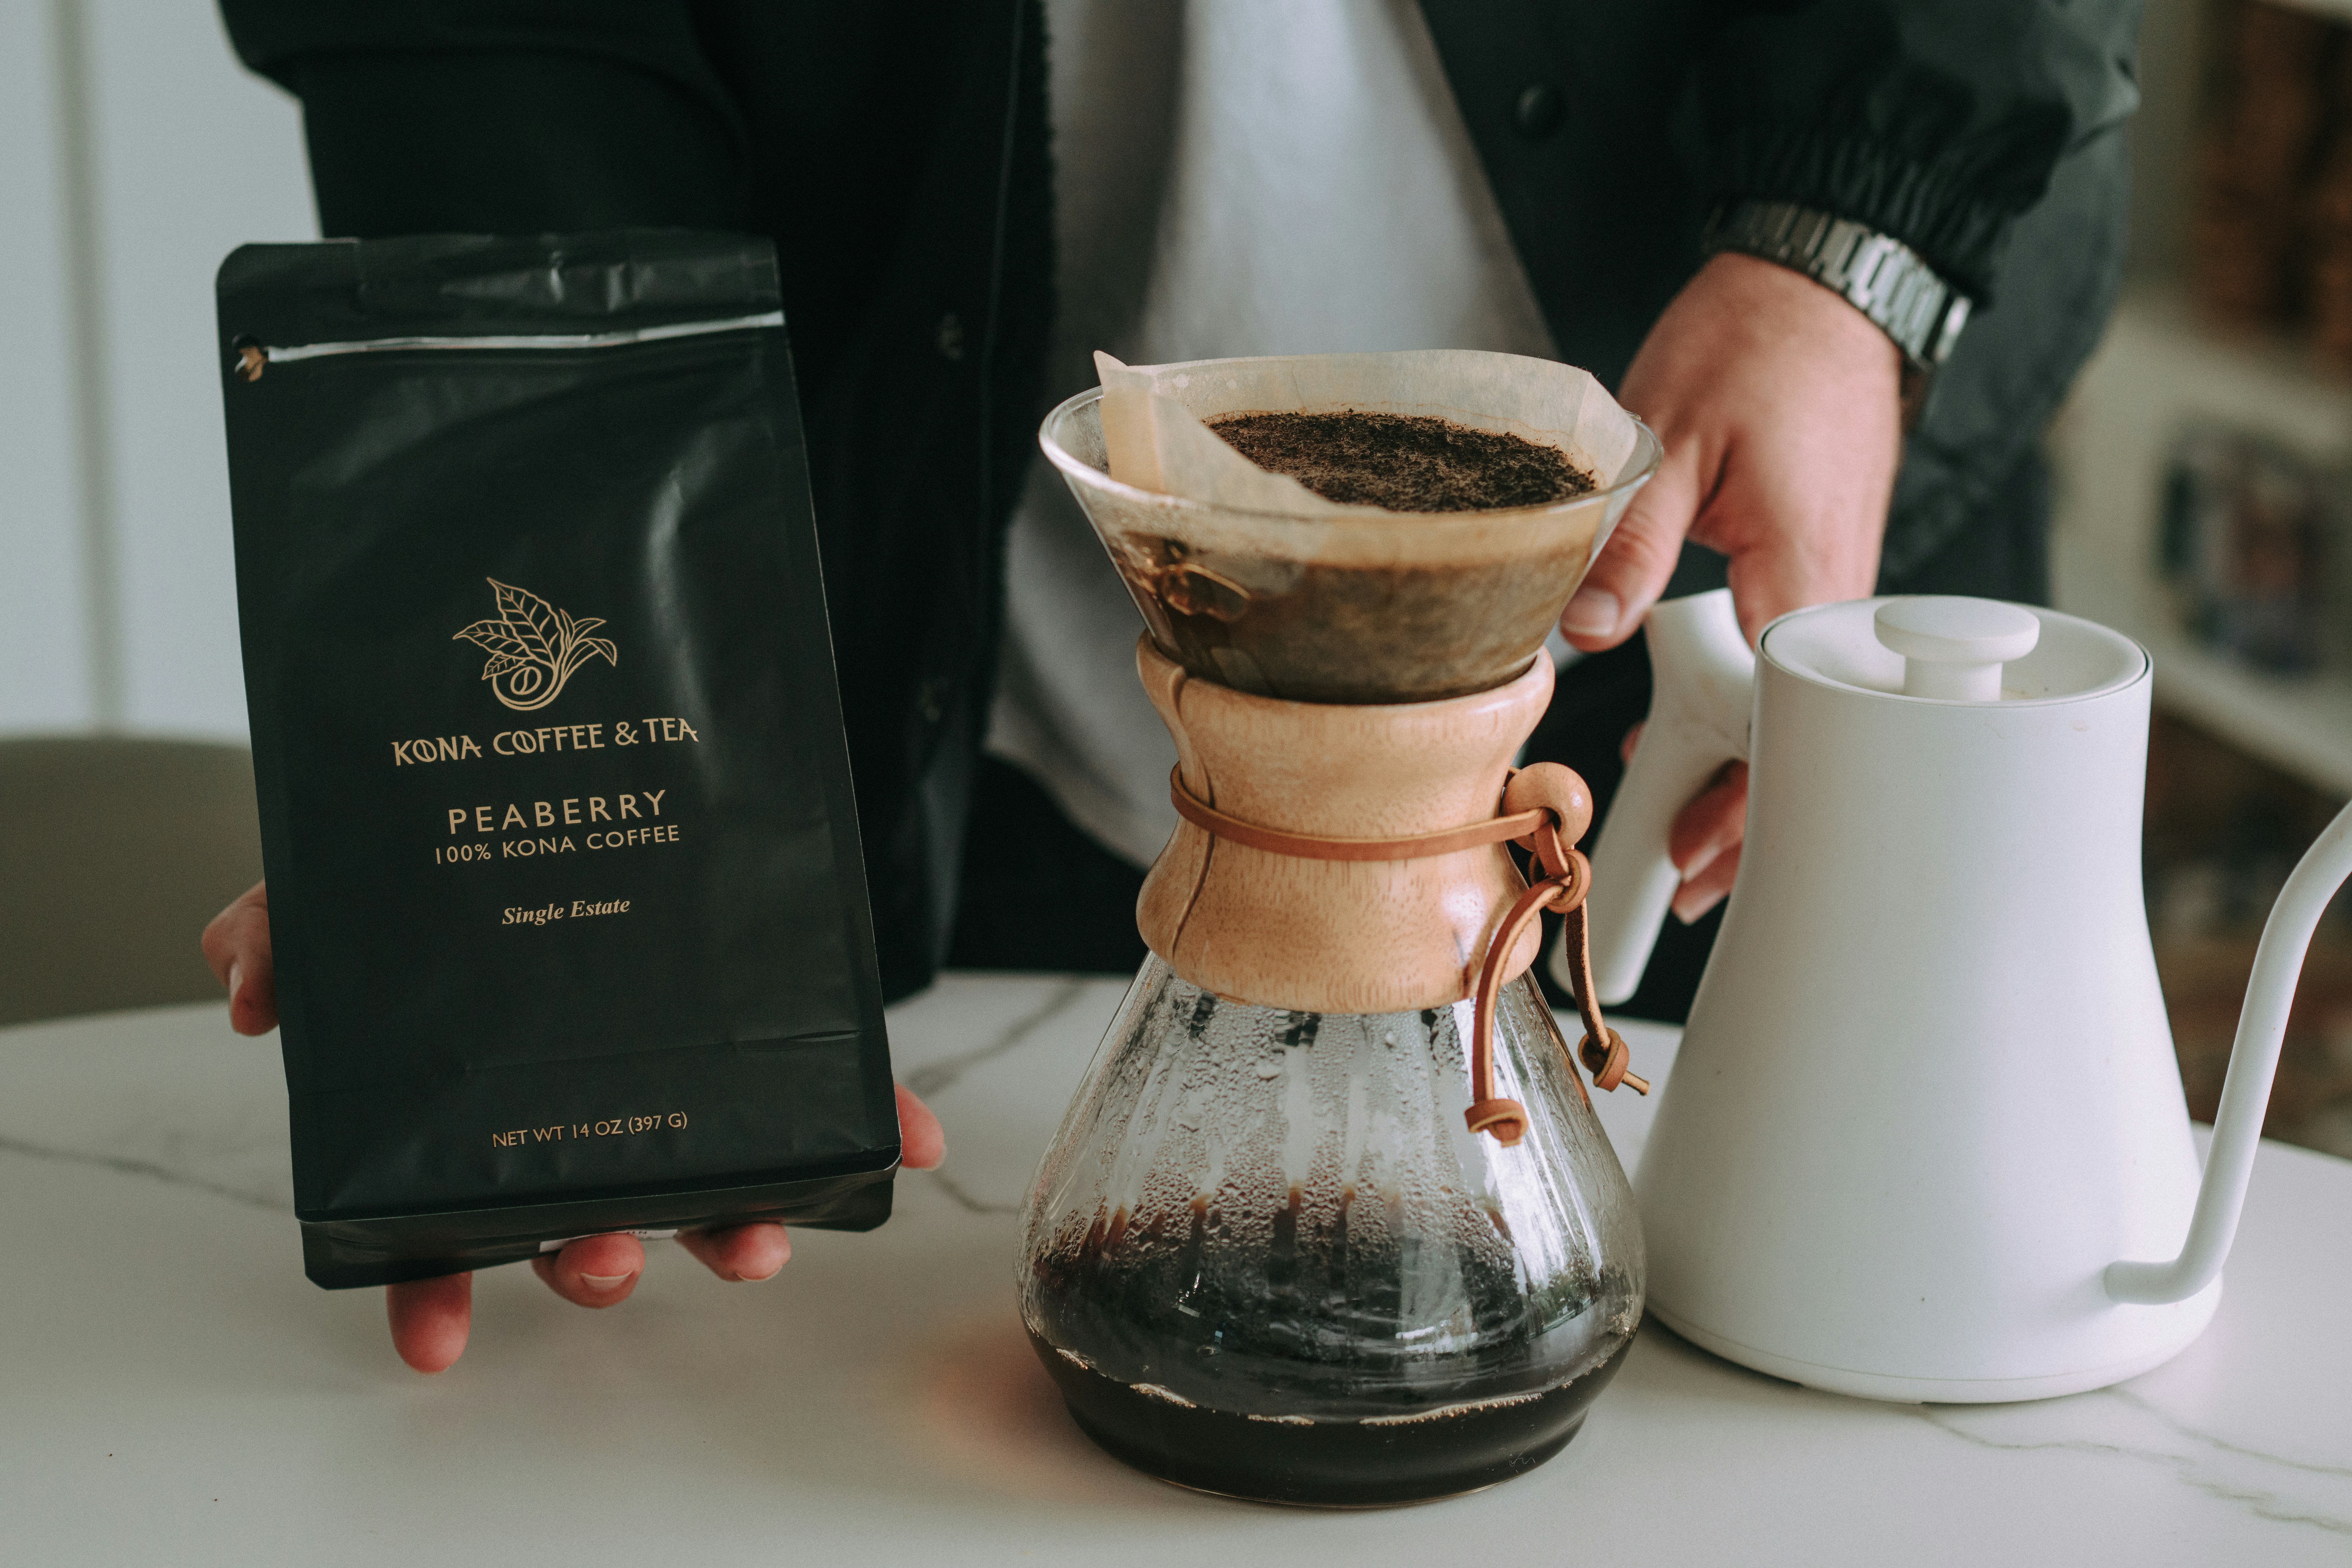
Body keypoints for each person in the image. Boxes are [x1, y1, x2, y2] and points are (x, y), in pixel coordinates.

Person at [210, 0, 2142, 1365]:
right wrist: (518, 781)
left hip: (1719, 614)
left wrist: (1850, 244)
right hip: (1013, 722)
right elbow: (496, 52)